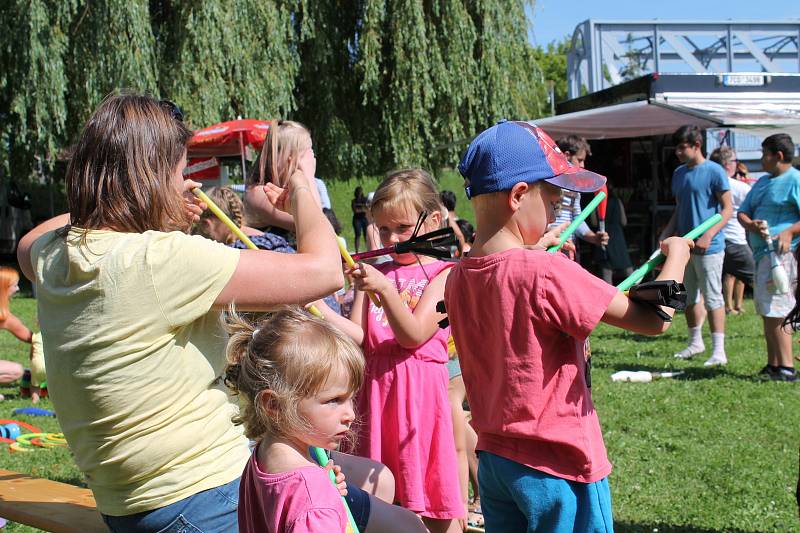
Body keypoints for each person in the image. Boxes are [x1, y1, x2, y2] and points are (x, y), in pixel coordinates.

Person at [14, 93, 359, 532]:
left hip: (130, 505)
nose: (185, 185)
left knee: (369, 486)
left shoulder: (54, 254)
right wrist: (301, 190)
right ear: (150, 177)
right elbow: (325, 271)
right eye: (179, 174)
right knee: (392, 506)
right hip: (205, 497)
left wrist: (130, 202)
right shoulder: (157, 260)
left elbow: (34, 238)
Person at [444, 120, 693, 532]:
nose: (558, 210)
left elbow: (508, 283)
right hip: (560, 466)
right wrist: (678, 253)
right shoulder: (544, 271)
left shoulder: (459, 275)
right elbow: (655, 320)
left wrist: (530, 249)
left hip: (496, 463)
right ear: (520, 195)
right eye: (556, 198)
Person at [320, 169, 465, 533]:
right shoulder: (379, 271)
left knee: (428, 495)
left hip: (418, 396)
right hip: (377, 392)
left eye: (401, 228)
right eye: (383, 230)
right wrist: (314, 306)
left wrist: (383, 288)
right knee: (377, 496)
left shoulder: (445, 274)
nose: (392, 238)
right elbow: (360, 336)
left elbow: (414, 334)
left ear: (434, 220)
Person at [224, 306, 426, 533]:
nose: (350, 414)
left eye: (351, 398)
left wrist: (329, 495)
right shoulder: (314, 505)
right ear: (274, 405)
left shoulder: (265, 454)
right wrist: (324, 502)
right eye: (334, 400)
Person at [660, 125, 733, 367]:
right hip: (686, 247)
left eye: (683, 147)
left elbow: (727, 209)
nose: (678, 152)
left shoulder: (715, 171)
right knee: (688, 297)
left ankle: (719, 351)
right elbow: (679, 208)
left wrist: (709, 235)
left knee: (713, 298)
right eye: (676, 148)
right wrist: (667, 233)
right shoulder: (679, 173)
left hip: (709, 248)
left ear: (697, 145)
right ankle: (695, 343)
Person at [738, 133, 800, 382]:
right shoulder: (763, 182)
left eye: (764, 154)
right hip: (763, 254)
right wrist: (751, 224)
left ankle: (787, 366)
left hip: (783, 257)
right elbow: (743, 212)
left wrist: (788, 231)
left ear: (779, 156)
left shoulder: (795, 179)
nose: (761, 159)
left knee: (780, 308)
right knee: (767, 309)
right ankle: (774, 363)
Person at [709, 147, 754, 316]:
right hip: (736, 241)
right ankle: (779, 313)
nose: (737, 164)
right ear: (728, 165)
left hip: (713, 240)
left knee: (711, 288)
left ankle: (726, 308)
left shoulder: (708, 185)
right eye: (735, 161)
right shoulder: (741, 188)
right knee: (761, 281)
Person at [550, 135, 608, 261]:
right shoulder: (549, 181)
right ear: (566, 156)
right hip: (549, 247)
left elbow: (577, 219)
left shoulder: (575, 187)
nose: (583, 165)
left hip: (568, 249)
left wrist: (593, 237)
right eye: (580, 160)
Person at [592, 188, 633, 284]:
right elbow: (624, 221)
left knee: (607, 269)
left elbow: (594, 223)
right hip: (617, 237)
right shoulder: (617, 201)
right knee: (626, 266)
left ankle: (610, 296)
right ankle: (636, 289)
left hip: (603, 235)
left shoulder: (596, 202)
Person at [0, 267, 27, 395]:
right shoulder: (5, 318)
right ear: (4, 288)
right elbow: (31, 338)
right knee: (16, 370)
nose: (18, 289)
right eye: (14, 285)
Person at [352, 187, 369, 253]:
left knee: (366, 234)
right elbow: (355, 211)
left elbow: (366, 209)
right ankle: (357, 251)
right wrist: (362, 208)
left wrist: (360, 208)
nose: (359, 193)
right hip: (357, 219)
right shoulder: (354, 201)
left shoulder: (364, 199)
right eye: (358, 191)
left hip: (364, 218)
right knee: (358, 234)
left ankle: (368, 249)